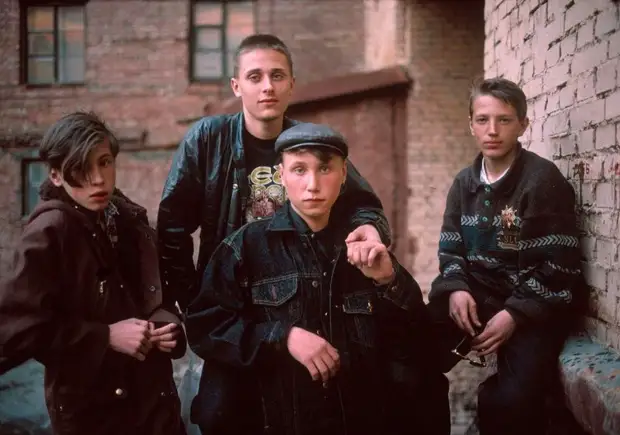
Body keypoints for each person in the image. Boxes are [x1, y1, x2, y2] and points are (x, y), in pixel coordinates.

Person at [156, 34, 392, 433]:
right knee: (223, 414)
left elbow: (364, 205)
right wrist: (195, 299)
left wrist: (369, 228)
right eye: (255, 76)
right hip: (233, 306)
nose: (268, 86)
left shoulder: (307, 145)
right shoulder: (209, 139)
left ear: (292, 84)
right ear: (237, 86)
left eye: (277, 76)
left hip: (294, 304)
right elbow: (172, 227)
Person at [185, 122, 450, 435]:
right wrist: (281, 337)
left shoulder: (364, 249)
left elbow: (418, 343)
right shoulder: (245, 248)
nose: (313, 184)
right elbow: (204, 328)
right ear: (281, 175)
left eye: (325, 169)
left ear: (343, 175)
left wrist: (388, 280)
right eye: (299, 169)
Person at [0, 112, 187, 435]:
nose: (98, 179)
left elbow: (153, 293)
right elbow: (15, 333)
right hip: (95, 414)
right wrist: (105, 337)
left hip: (155, 406)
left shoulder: (126, 218)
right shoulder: (50, 231)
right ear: (56, 175)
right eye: (80, 168)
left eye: (104, 162)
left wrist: (166, 326)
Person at [427, 77, 584, 435]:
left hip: (533, 304)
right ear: (471, 125)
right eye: (483, 120)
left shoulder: (542, 181)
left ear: (523, 125)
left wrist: (514, 315)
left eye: (504, 120)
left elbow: (559, 267)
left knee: (512, 402)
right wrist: (456, 288)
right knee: (411, 357)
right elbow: (450, 248)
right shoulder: (464, 183)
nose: (492, 130)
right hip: (478, 292)